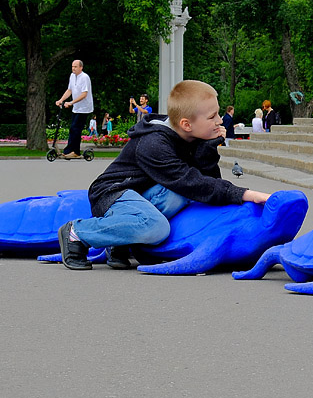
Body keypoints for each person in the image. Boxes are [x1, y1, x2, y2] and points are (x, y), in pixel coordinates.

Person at [56, 80, 272, 270]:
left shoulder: (191, 136)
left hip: (144, 194)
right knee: (156, 227)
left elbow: (206, 181)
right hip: (113, 193)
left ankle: (119, 241)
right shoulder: (154, 144)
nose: (220, 121)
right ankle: (77, 232)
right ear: (186, 124)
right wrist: (245, 194)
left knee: (183, 194)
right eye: (212, 116)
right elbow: (191, 181)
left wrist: (208, 147)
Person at [55, 59, 94, 159]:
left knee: (76, 129)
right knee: (73, 128)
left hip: (84, 108)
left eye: (75, 67)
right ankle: (69, 150)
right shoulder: (72, 76)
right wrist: (61, 100)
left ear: (81, 67)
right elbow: (69, 90)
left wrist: (71, 103)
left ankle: (75, 152)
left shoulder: (85, 77)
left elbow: (84, 94)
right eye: (72, 66)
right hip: (76, 108)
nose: (73, 68)